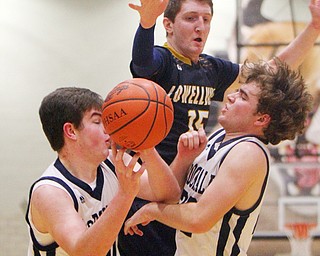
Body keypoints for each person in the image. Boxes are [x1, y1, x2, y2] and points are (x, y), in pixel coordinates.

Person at [118, 0, 320, 255]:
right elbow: (143, 63)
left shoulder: (211, 69)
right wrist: (146, 24)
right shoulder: (163, 60)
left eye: (206, 19)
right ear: (168, 25)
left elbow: (269, 76)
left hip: (185, 176)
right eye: (191, 18)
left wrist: (313, 29)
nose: (200, 26)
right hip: (155, 174)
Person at [25, 87, 180, 256]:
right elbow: (84, 252)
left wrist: (146, 146)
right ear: (71, 131)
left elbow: (169, 195)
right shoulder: (50, 192)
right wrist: (125, 195)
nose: (108, 128)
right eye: (98, 122)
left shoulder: (113, 164)